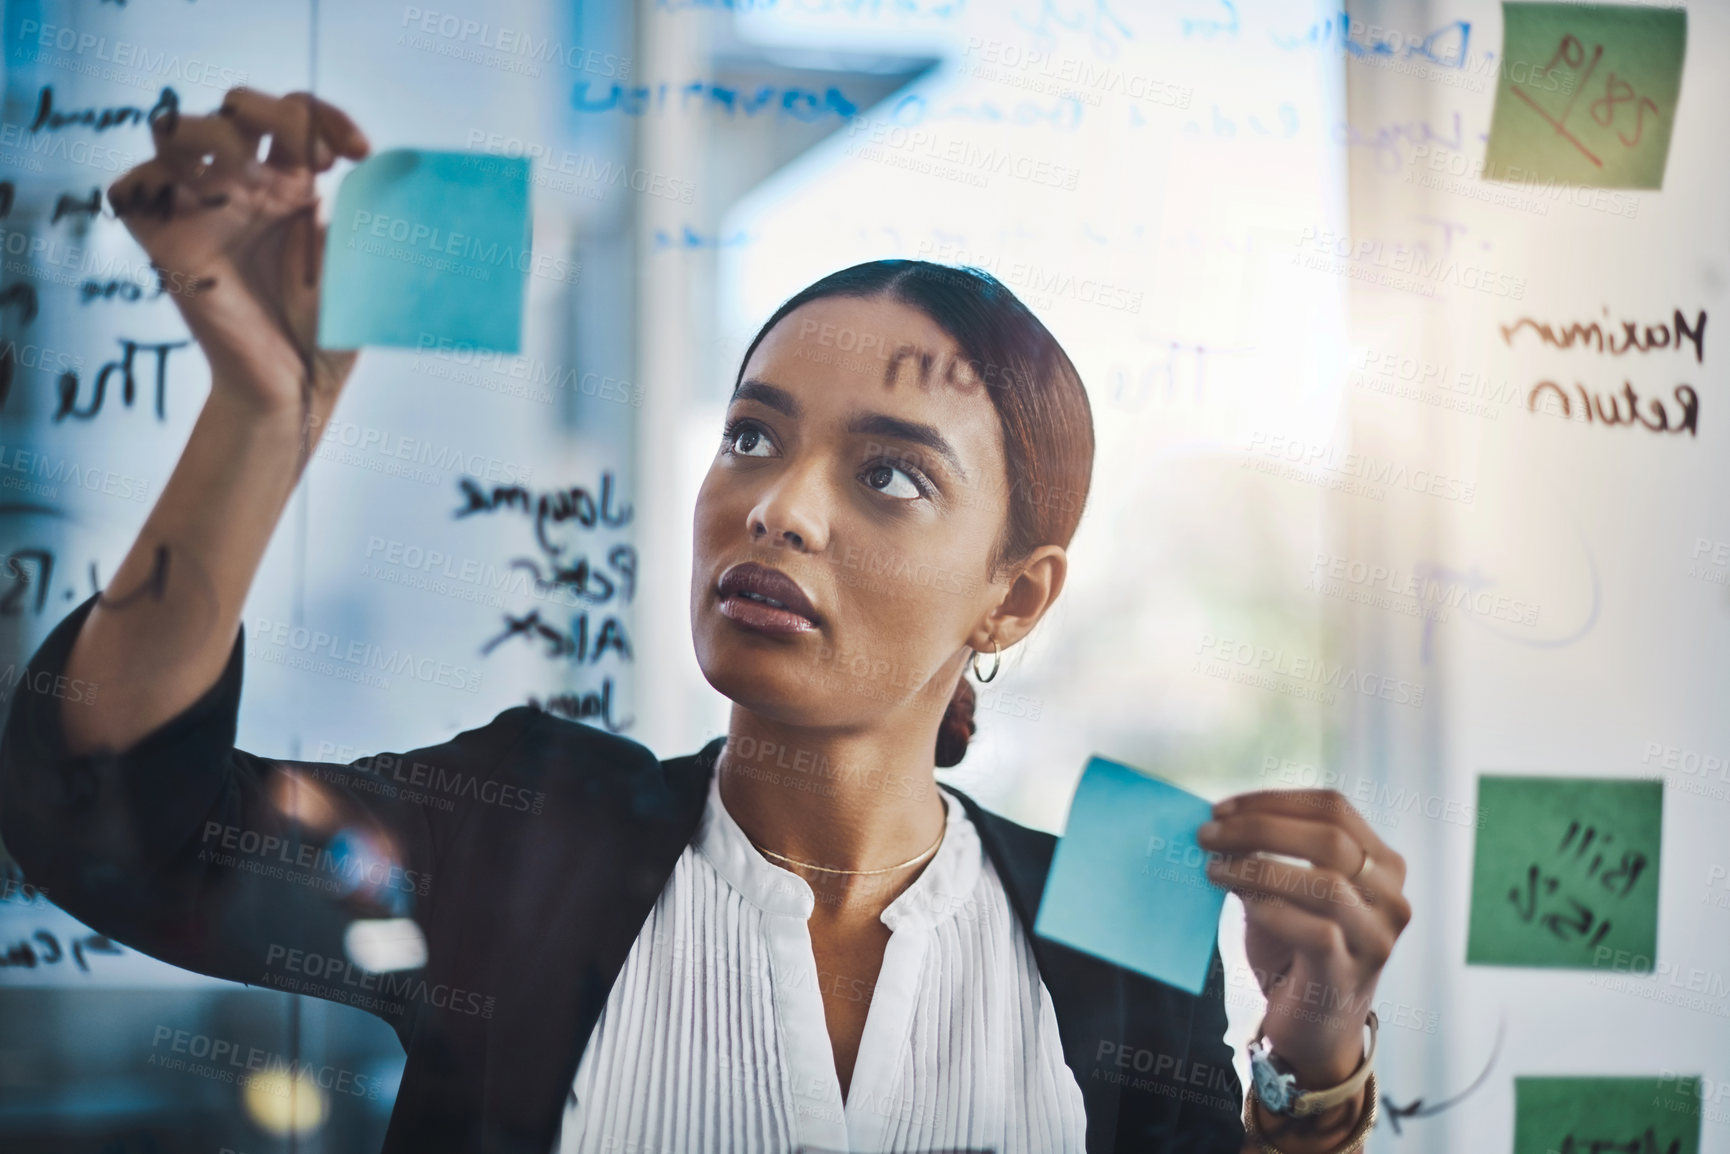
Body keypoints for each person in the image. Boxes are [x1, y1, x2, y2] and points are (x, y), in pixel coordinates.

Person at [0, 88, 1412, 1154]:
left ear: (1016, 592)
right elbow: (113, 817)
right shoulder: (530, 825)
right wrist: (260, 418)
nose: (778, 506)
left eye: (888, 473)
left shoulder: (1121, 913)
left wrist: (1313, 1056)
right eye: (751, 435)